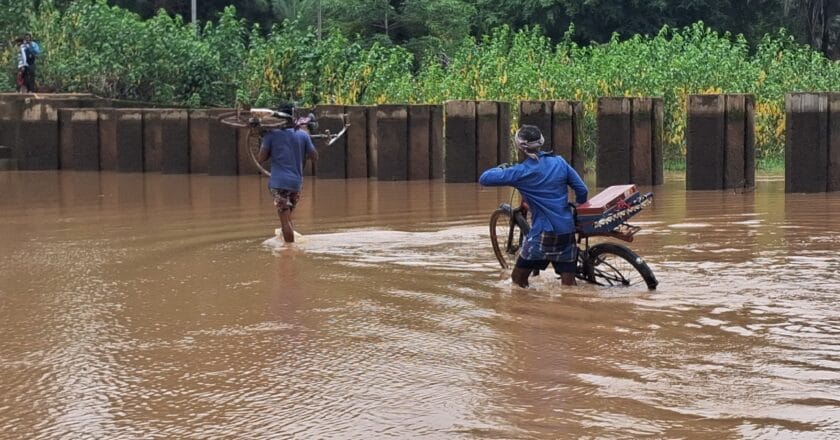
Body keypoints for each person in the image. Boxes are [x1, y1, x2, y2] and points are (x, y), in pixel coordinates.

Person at [479, 125, 589, 287]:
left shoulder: (520, 172)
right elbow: (582, 190)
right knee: (569, 286)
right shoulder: (559, 162)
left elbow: (485, 178)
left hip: (544, 234)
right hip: (567, 230)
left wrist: (504, 167)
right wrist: (577, 205)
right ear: (541, 142)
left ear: (519, 147)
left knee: (517, 280)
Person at [257, 102, 318, 243]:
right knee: (288, 217)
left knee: (285, 221)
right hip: (296, 184)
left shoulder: (271, 135)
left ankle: (289, 251)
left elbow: (261, 158)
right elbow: (314, 157)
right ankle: (288, 243)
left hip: (278, 184)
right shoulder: (303, 135)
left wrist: (266, 142)